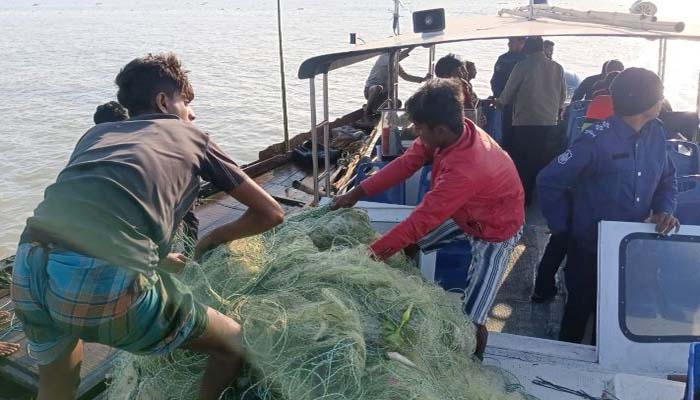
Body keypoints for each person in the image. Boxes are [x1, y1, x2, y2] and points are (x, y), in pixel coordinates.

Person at [11, 53, 284, 400]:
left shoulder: (95, 135)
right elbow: (271, 212)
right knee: (233, 342)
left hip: (28, 267)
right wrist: (213, 238)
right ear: (163, 101)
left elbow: (93, 213)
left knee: (56, 385)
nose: (192, 114)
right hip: (100, 283)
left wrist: (156, 261)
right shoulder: (194, 138)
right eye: (187, 103)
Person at [333, 78, 525, 360]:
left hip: (495, 231)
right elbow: (404, 164)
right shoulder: (445, 135)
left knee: (472, 319)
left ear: (440, 129)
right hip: (466, 214)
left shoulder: (467, 168)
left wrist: (371, 256)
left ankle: (473, 367)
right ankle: (406, 288)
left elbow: (421, 219)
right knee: (413, 244)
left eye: (419, 128)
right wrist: (357, 192)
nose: (415, 132)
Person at [537, 67, 679, 344]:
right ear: (645, 103)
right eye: (659, 96)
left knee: (616, 314)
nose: (662, 101)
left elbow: (668, 178)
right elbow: (549, 181)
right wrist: (564, 228)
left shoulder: (657, 134)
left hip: (632, 247)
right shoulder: (595, 141)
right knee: (579, 309)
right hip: (589, 247)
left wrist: (665, 210)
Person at [497, 36, 566, 205]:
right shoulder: (557, 67)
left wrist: (499, 103)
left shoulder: (523, 66)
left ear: (527, 48)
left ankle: (523, 198)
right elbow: (563, 95)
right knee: (542, 161)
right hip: (549, 121)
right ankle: (539, 198)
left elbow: (509, 91)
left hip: (526, 121)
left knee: (523, 161)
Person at [364, 48, 428, 121]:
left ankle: (378, 113)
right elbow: (399, 57)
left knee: (397, 103)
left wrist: (423, 79)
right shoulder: (384, 57)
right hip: (371, 91)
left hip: (384, 95)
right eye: (398, 50)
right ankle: (367, 113)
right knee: (378, 88)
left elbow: (405, 76)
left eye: (400, 50)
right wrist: (413, 46)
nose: (399, 51)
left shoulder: (395, 62)